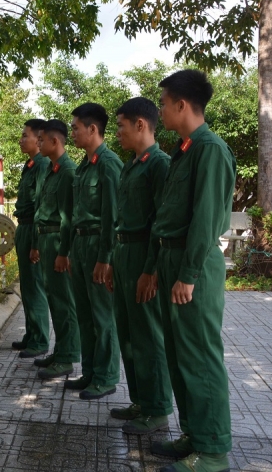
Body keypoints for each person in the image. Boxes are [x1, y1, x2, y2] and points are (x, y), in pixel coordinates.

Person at [151, 70, 234, 472]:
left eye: (164, 103)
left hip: (192, 264)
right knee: (179, 352)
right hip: (173, 259)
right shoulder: (185, 150)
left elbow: (205, 219)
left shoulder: (210, 150)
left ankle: (214, 451)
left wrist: (188, 274)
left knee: (200, 356)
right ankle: (194, 435)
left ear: (182, 105)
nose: (161, 110)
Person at [105, 97, 173, 435]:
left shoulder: (159, 164)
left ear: (140, 125)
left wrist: (151, 269)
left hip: (144, 255)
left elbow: (161, 223)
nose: (117, 132)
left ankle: (158, 409)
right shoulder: (132, 164)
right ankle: (141, 401)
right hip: (124, 254)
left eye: (121, 125)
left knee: (148, 335)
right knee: (128, 333)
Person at [68, 102, 122, 400]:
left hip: (97, 245)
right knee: (85, 314)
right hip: (80, 244)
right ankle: (89, 372)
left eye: (76, 128)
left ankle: (106, 376)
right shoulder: (83, 165)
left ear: (93, 129)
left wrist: (106, 257)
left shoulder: (109, 164)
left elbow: (113, 216)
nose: (72, 132)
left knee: (103, 315)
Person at [29, 119, 81, 380]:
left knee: (64, 302)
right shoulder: (51, 170)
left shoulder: (69, 172)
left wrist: (64, 252)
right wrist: (37, 244)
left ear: (54, 141)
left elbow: (68, 218)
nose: (38, 143)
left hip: (58, 242)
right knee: (54, 299)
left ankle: (68, 356)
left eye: (42, 139)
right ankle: (60, 350)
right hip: (46, 239)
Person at [11, 119, 51, 358]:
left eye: (25, 135)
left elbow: (40, 206)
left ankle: (39, 340)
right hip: (23, 227)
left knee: (35, 287)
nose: (21, 139)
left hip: (33, 229)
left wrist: (36, 243)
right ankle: (31, 333)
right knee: (26, 286)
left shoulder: (42, 165)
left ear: (38, 138)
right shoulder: (30, 165)